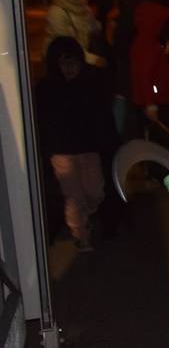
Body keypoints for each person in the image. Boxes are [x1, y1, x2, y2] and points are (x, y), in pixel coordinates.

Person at [35, 36, 114, 251]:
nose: (68, 68)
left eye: (73, 63)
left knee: (95, 192)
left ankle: (83, 217)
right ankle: (81, 235)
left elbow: (103, 116)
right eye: (63, 63)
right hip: (61, 153)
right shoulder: (47, 88)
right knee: (73, 197)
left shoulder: (92, 83)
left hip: (89, 149)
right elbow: (42, 122)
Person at [130, 0, 169, 137]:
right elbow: (146, 76)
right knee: (161, 143)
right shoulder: (148, 42)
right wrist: (151, 102)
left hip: (157, 98)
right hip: (155, 101)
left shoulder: (153, 39)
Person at [44, 0, 106, 68]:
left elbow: (93, 29)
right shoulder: (56, 12)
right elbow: (65, 45)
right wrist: (93, 59)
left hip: (78, 60)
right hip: (60, 63)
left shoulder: (83, 7)